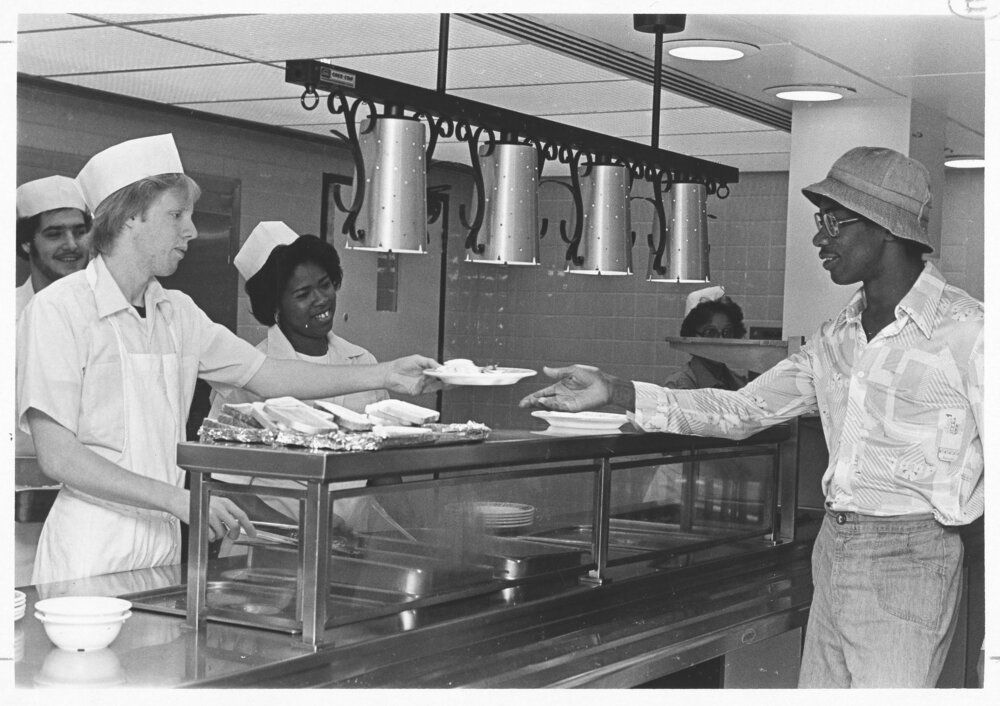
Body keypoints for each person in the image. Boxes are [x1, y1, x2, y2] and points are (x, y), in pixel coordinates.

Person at [520, 146, 983, 689]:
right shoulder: (837, 337)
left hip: (912, 552)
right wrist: (616, 391)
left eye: (832, 222)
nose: (819, 238)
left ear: (884, 228)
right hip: (833, 549)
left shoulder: (971, 332)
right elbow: (743, 410)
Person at [16, 134, 441, 584]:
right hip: (92, 542)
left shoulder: (176, 311)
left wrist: (386, 373)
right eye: (176, 215)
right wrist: (177, 499)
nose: (191, 231)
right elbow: (59, 458)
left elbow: (267, 374)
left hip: (162, 543)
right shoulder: (59, 310)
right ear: (130, 218)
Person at [207, 221, 389, 527]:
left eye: (325, 284)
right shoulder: (248, 375)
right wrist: (304, 532)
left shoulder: (362, 361)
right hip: (270, 549)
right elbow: (224, 485)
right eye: (303, 293)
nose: (321, 299)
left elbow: (384, 463)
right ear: (274, 305)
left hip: (351, 545)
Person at [16, 174, 92, 319]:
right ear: (26, 242)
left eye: (80, 232)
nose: (72, 245)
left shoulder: (107, 308)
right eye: (54, 234)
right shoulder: (9, 311)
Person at [666, 285, 749, 391]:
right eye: (710, 332)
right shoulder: (678, 386)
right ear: (692, 335)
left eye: (727, 332)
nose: (721, 340)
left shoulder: (740, 384)